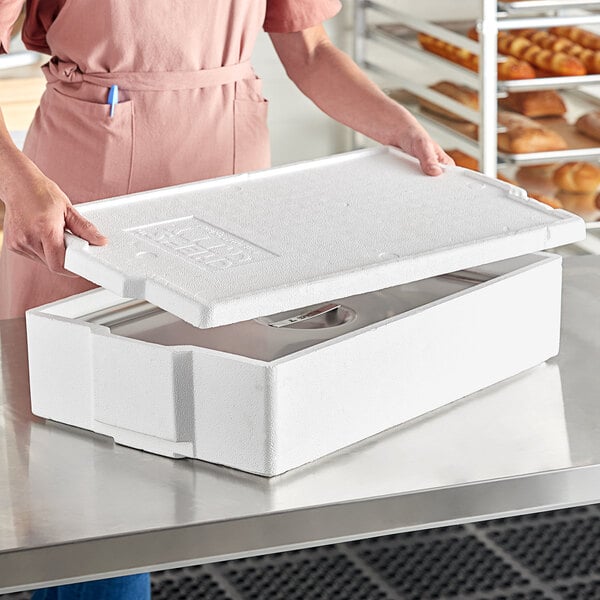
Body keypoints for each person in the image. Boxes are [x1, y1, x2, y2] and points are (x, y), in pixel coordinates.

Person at [0, 0, 453, 597]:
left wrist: (401, 126)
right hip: (90, 196)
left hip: (228, 178)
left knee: (211, 427)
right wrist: (17, 181)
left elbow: (311, 53)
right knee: (87, 461)